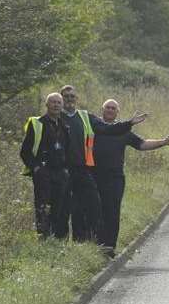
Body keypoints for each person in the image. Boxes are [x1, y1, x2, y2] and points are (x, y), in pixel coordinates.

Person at [57, 84, 147, 243]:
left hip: (82, 171)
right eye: (66, 96)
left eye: (72, 96)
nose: (69, 99)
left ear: (77, 99)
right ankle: (60, 245)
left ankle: (85, 244)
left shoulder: (85, 117)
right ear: (60, 98)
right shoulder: (54, 117)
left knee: (87, 208)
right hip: (60, 171)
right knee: (63, 210)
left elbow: (108, 129)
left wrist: (129, 123)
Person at [93, 98, 169, 256]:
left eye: (113, 108)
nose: (110, 110)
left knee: (112, 210)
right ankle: (95, 243)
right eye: (107, 107)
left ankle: (109, 246)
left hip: (115, 178)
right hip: (93, 175)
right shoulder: (94, 126)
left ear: (118, 112)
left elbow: (142, 144)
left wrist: (163, 142)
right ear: (102, 110)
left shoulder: (123, 130)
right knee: (95, 209)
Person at [18, 92, 74, 237]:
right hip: (44, 172)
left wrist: (67, 170)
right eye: (53, 102)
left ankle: (55, 238)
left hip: (60, 173)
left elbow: (68, 150)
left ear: (62, 106)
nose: (56, 105)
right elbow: (25, 151)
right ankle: (43, 237)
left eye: (58, 102)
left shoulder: (65, 125)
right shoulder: (37, 124)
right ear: (47, 105)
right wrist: (36, 168)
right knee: (43, 206)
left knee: (58, 207)